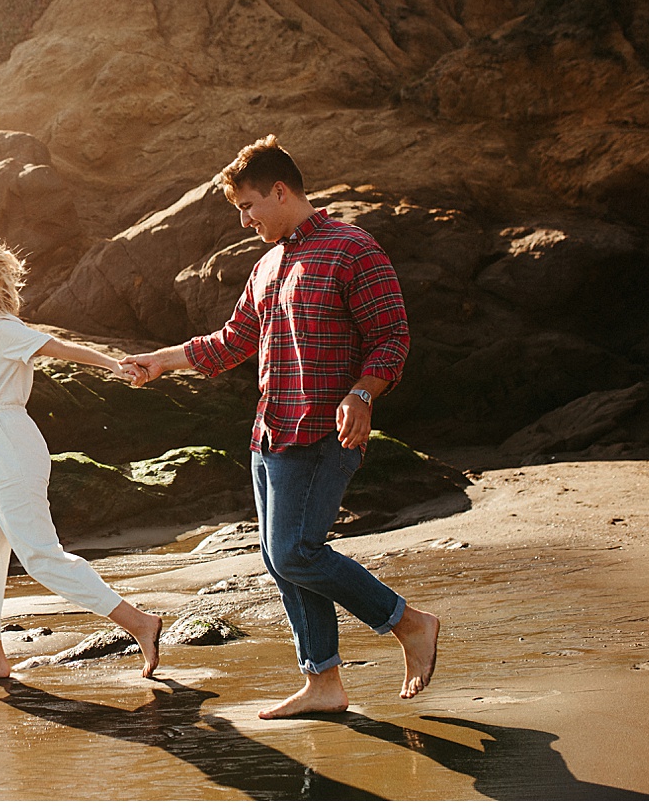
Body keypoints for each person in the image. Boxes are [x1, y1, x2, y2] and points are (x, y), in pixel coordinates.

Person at [122, 135, 440, 719]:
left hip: (323, 432)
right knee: (281, 557)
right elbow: (231, 343)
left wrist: (363, 395)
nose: (245, 221)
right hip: (269, 433)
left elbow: (392, 337)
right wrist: (162, 361)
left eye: (248, 206)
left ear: (280, 190)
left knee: (294, 552)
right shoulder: (268, 263)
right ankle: (323, 683)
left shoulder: (353, 249)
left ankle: (410, 623)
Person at [0, 231, 163, 683]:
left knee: (41, 556)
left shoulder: (3, 327)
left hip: (11, 446)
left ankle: (140, 623)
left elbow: (58, 348)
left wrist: (115, 365)